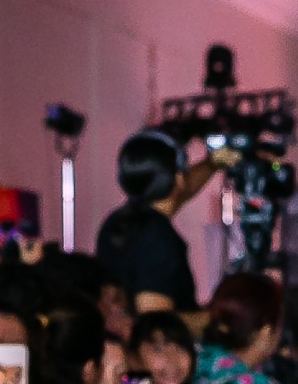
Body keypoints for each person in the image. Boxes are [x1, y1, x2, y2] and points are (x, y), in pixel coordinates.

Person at [95, 130, 232, 317]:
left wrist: (212, 163)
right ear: (178, 178)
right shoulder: (157, 238)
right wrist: (216, 319)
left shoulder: (117, 221)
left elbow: (181, 191)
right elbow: (155, 322)